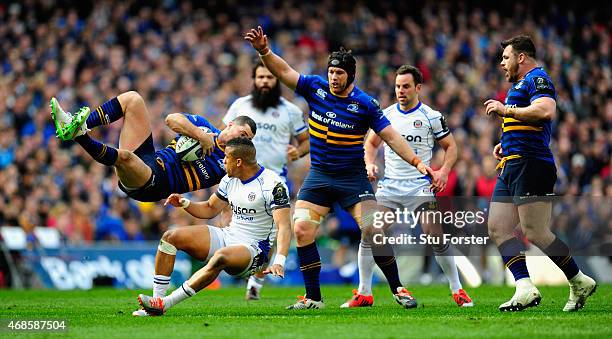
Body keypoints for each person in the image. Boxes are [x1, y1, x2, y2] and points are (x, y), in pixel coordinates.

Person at [245, 26, 437, 310]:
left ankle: (398, 288)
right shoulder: (315, 87)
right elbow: (284, 72)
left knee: (375, 231)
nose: (333, 78)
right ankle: (313, 298)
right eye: (331, 73)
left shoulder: (365, 104)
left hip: (353, 179)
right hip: (319, 176)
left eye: (339, 74)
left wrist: (418, 162)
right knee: (302, 231)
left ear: (351, 76)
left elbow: (392, 137)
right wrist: (264, 51)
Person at [343, 65, 473, 308]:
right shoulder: (386, 115)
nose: (400, 91)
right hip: (389, 186)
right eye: (397, 86)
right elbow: (370, 144)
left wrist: (444, 171)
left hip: (419, 187)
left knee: (435, 235)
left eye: (405, 86)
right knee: (369, 230)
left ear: (418, 88)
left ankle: (458, 290)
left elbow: (451, 147)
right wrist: (369, 164)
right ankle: (364, 292)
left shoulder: (431, 116)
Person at [484, 35, 596, 312]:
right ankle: (525, 287)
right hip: (512, 162)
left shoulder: (538, 79)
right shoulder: (519, 85)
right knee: (497, 227)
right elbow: (527, 122)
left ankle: (578, 279)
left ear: (521, 57)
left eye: (506, 58)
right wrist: (505, 142)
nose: (502, 64)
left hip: (531, 163)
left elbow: (545, 111)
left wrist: (505, 110)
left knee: (535, 231)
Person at [135, 137, 292, 316]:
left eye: (226, 157)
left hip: (254, 250)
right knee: (170, 237)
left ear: (239, 161)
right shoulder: (229, 179)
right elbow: (210, 208)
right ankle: (154, 304)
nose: (223, 161)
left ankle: (165, 303)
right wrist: (185, 203)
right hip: (229, 236)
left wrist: (279, 261)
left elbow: (284, 226)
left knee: (220, 257)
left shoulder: (273, 185)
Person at [49, 92, 256, 202]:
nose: (244, 140)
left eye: (248, 139)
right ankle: (78, 126)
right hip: (151, 158)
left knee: (126, 157)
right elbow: (171, 119)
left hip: (155, 184)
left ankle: (79, 136)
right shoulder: (203, 125)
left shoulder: (228, 163)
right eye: (243, 134)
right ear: (230, 125)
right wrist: (200, 135)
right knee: (133, 99)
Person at [222, 61, 309, 300]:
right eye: (260, 77)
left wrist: (298, 152)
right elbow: (225, 137)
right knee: (229, 222)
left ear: (277, 81)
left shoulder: (290, 110)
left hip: (274, 179)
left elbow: (306, 141)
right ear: (254, 79)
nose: (264, 82)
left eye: (269, 78)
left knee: (269, 236)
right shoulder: (240, 105)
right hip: (239, 175)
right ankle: (229, 265)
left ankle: (255, 284)